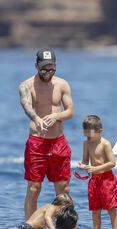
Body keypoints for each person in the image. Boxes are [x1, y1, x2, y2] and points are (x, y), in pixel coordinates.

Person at [19, 48, 74, 220]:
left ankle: (63, 226)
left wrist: (58, 115)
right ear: (36, 66)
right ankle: (30, 226)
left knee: (63, 188)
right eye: (44, 69)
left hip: (58, 141)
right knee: (34, 187)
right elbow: (26, 105)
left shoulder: (62, 84)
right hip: (37, 142)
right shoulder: (26, 85)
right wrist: (37, 119)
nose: (48, 72)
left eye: (52, 69)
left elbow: (70, 111)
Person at [78, 115, 117, 229]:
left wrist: (96, 168)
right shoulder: (86, 144)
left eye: (90, 134)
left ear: (99, 131)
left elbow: (112, 163)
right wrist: (83, 165)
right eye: (86, 134)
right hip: (94, 180)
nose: (88, 137)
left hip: (107, 180)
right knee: (95, 210)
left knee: (111, 209)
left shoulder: (105, 144)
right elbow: (85, 160)